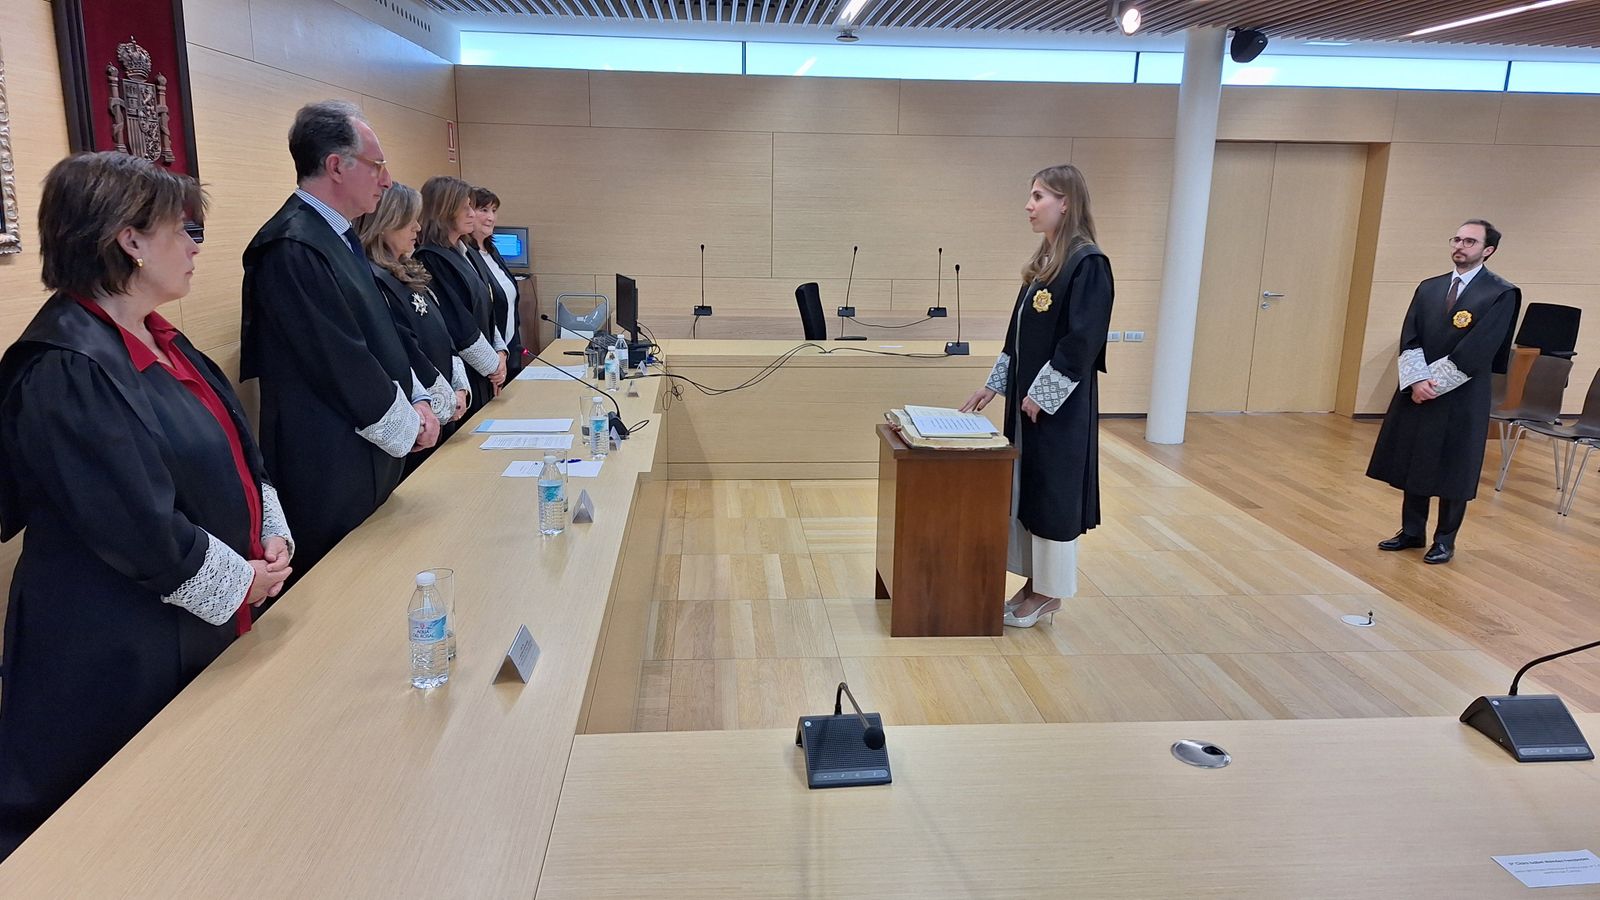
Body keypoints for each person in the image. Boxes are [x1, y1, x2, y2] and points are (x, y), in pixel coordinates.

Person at [0, 153, 294, 857]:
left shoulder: (160, 336)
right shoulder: (66, 366)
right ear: (128, 239)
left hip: (190, 625)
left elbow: (234, 447)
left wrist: (270, 525)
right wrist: (241, 579)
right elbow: (135, 524)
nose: (195, 245)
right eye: (182, 228)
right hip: (114, 649)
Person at [240, 100, 440, 577]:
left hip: (364, 447)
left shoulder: (337, 235)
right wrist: (408, 425)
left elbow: (380, 333)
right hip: (328, 464)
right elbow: (340, 359)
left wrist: (420, 398)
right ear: (336, 165)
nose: (387, 180)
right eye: (377, 166)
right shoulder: (292, 245)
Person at [960, 164, 1115, 628]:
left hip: (1057, 413)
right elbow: (1017, 338)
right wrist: (994, 385)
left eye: (1039, 196)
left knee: (1053, 497)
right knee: (1029, 493)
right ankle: (1032, 585)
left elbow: (1081, 342)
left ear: (1066, 203)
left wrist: (1043, 395)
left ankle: (1049, 593)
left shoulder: (1087, 264)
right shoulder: (1043, 265)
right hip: (1025, 411)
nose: (1029, 206)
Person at [1367, 220, 1520, 565]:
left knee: (1454, 464)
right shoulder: (1430, 287)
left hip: (1461, 392)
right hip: (1420, 388)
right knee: (1416, 456)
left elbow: (1480, 347)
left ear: (1488, 250)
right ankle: (1411, 531)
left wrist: (1433, 384)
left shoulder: (1500, 293)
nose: (1460, 246)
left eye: (1470, 241)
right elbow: (1411, 335)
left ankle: (1445, 539)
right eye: (1457, 239)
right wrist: (1417, 381)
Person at [357, 182, 471, 468]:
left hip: (442, 406)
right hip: (420, 416)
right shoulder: (375, 280)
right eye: (409, 221)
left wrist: (459, 388)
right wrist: (440, 400)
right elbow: (407, 350)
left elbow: (444, 336)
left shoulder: (409, 271)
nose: (417, 228)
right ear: (385, 224)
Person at [415, 176, 504, 419]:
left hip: (486, 368)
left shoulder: (468, 252)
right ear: (444, 211)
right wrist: (493, 367)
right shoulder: (432, 258)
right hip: (467, 375)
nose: (472, 214)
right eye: (465, 208)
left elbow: (487, 307)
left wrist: (500, 353)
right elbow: (459, 324)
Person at [467, 187, 526, 380]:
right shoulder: (465, 256)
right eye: (483, 210)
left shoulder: (492, 252)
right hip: (488, 359)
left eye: (494, 211)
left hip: (509, 348)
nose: (491, 217)